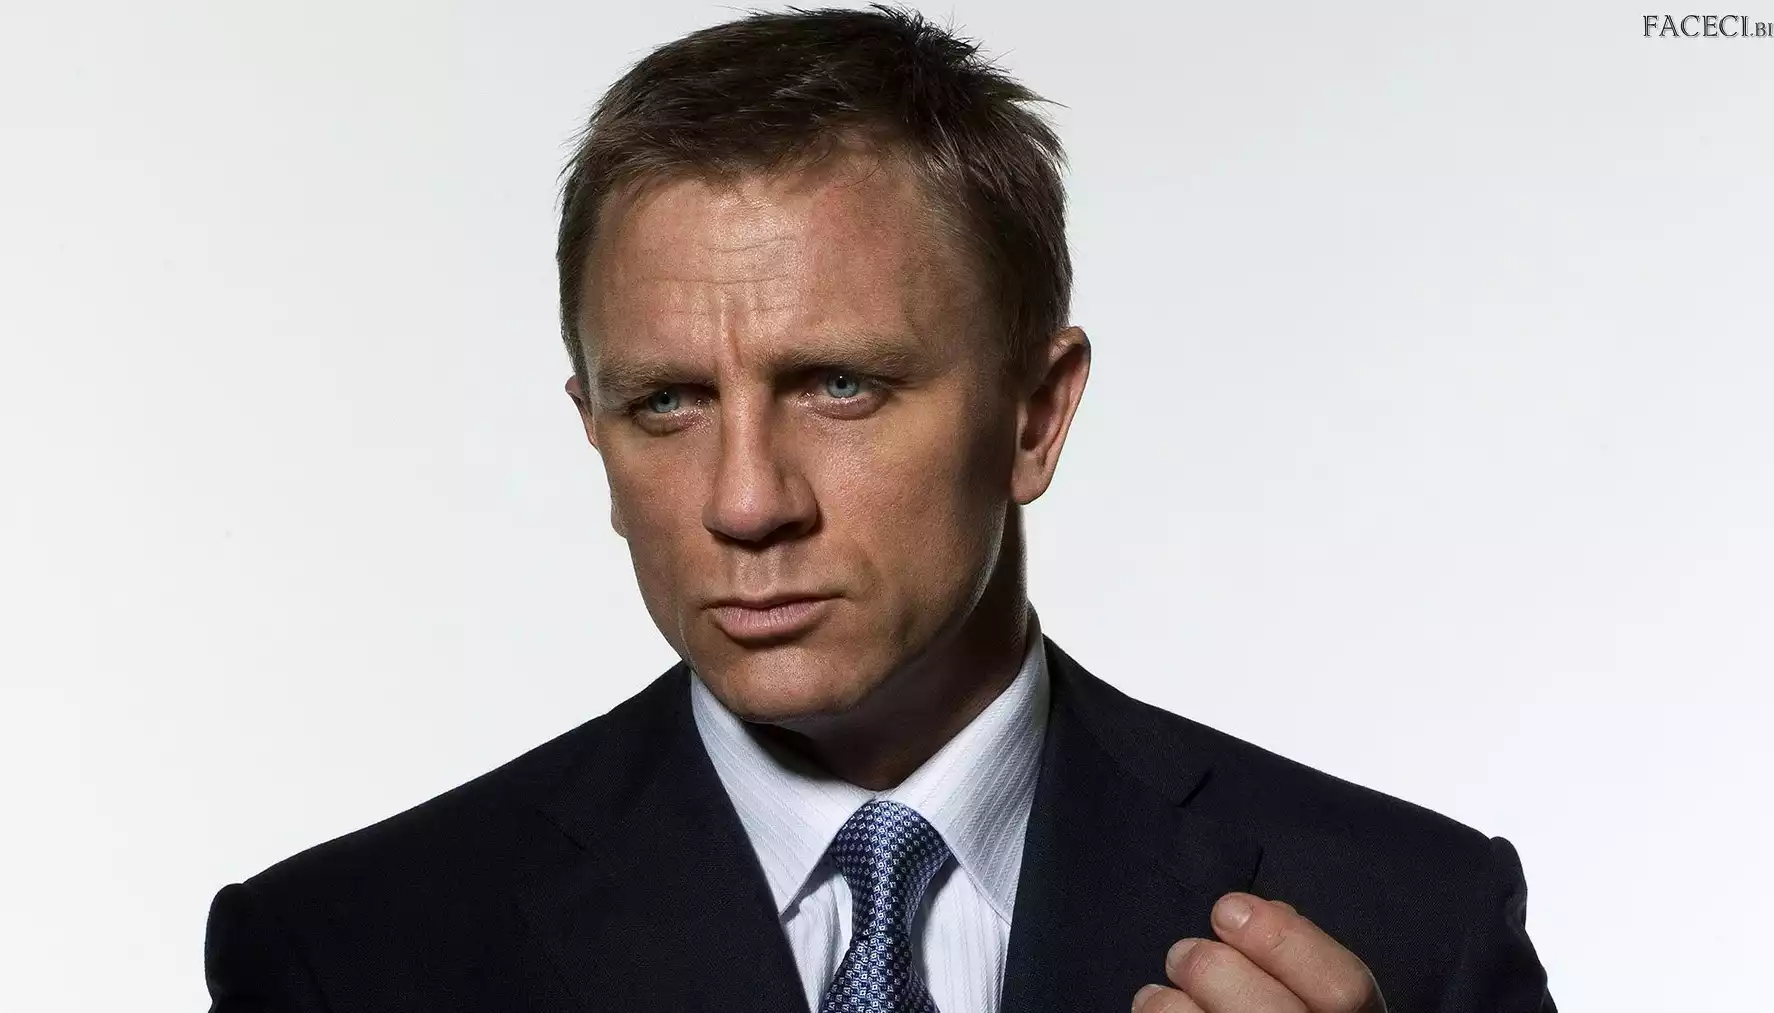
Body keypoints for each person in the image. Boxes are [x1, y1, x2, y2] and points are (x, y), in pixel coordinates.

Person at [202, 7, 1555, 1012]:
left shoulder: (1411, 924)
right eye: (666, 403)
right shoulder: (347, 959)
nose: (746, 503)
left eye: (839, 385)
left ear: (1036, 416)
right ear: (591, 428)